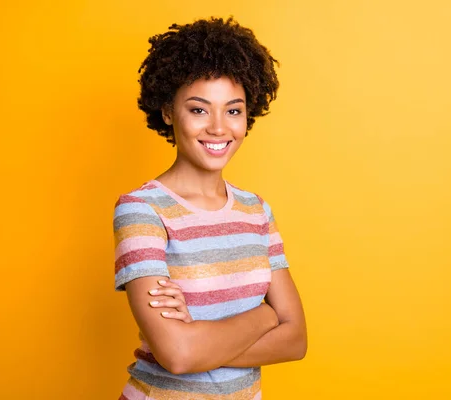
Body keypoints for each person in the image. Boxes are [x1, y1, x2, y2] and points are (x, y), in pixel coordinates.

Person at [112, 17, 307, 400]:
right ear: (168, 112)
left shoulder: (256, 211)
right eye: (199, 110)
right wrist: (267, 316)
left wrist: (200, 341)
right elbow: (178, 355)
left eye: (233, 111)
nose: (219, 127)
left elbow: (295, 341)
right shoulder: (141, 211)